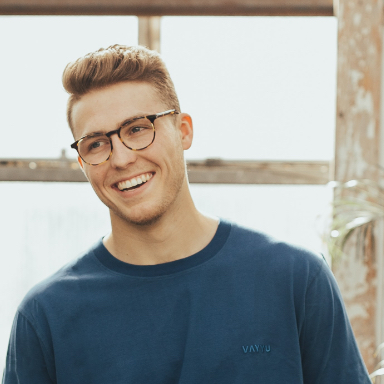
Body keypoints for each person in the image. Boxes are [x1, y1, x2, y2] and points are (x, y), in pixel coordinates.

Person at [3, 45, 371, 384]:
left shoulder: (295, 279)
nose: (122, 158)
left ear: (183, 131)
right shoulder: (45, 317)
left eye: (137, 128)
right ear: (82, 162)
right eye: (97, 144)